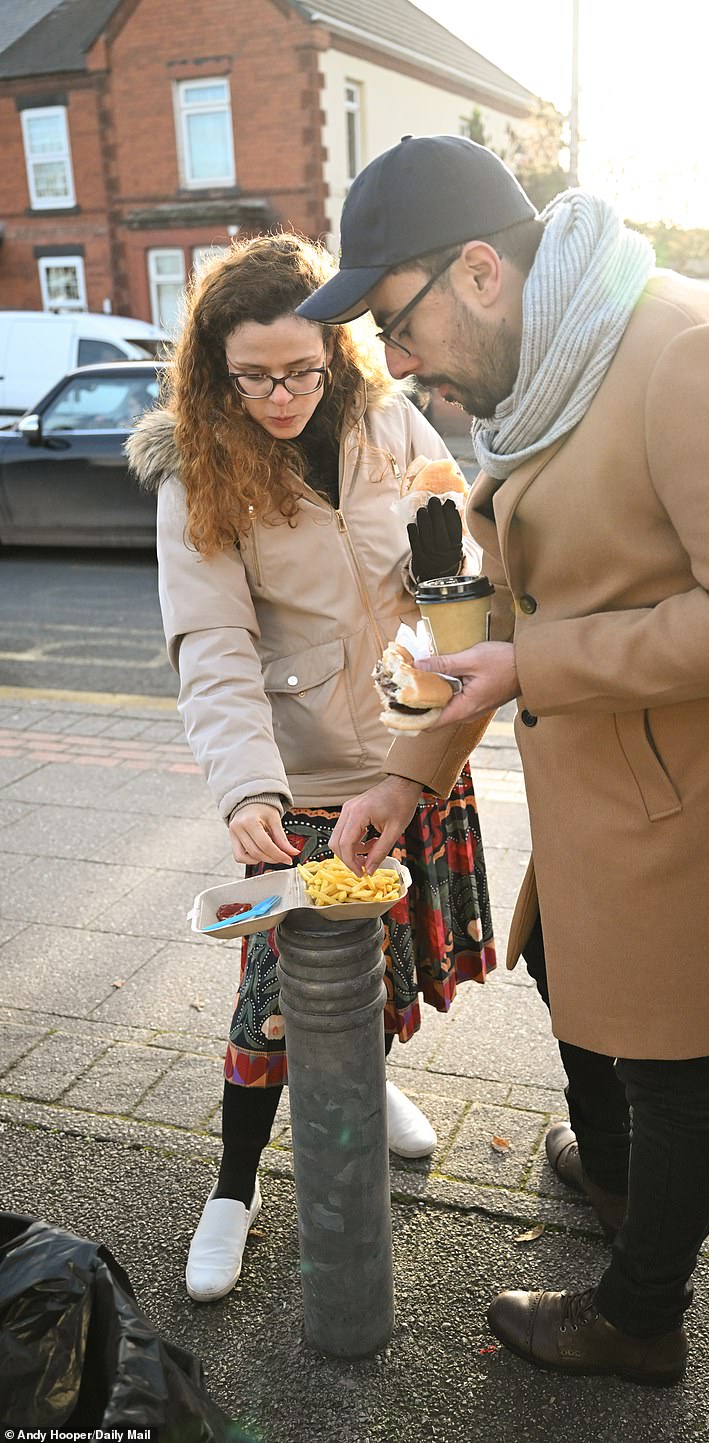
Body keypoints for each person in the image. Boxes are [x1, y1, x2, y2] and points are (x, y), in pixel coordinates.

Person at [298, 136, 709, 1385]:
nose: (396, 363)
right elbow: (494, 611)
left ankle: (639, 1317)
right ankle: (612, 1173)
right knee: (560, 968)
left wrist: (544, 666)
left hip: (690, 808)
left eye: (395, 323)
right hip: (607, 799)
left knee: (669, 1064)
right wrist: (403, 775)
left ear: (479, 270)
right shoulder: (554, 367)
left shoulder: (691, 354)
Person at [126, 232, 496, 1304]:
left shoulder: (389, 419)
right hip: (302, 778)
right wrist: (247, 792)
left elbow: (445, 553)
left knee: (380, 970)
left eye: (299, 369)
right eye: (251, 376)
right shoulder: (200, 467)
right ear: (214, 370)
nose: (279, 395)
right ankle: (232, 1191)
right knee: (274, 1002)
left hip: (410, 747)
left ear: (335, 350)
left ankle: (366, 1085)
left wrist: (455, 625)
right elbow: (213, 646)